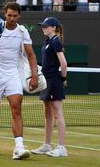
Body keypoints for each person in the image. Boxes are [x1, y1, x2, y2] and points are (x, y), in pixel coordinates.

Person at [0, 2, 39, 160]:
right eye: (9, 15)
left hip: (13, 74)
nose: (12, 18)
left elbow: (31, 54)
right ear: (5, 14)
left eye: (15, 15)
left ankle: (19, 147)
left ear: (19, 16)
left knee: (16, 108)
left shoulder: (22, 31)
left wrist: (35, 75)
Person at [32, 17, 68, 157]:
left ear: (53, 27)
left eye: (46, 26)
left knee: (58, 114)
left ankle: (62, 148)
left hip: (53, 80)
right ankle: (47, 145)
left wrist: (63, 78)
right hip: (46, 81)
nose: (43, 28)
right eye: (43, 26)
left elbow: (63, 64)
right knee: (47, 115)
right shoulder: (48, 42)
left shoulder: (55, 41)